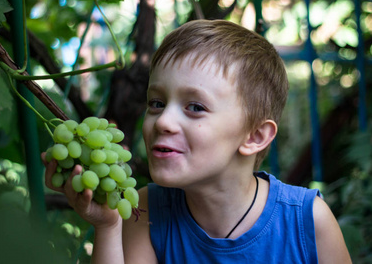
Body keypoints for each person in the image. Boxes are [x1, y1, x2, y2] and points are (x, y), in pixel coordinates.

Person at [43, 19, 351, 263]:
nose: (162, 121)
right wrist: (108, 226)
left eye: (195, 107)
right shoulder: (148, 210)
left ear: (255, 136)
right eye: (157, 103)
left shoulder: (308, 222)